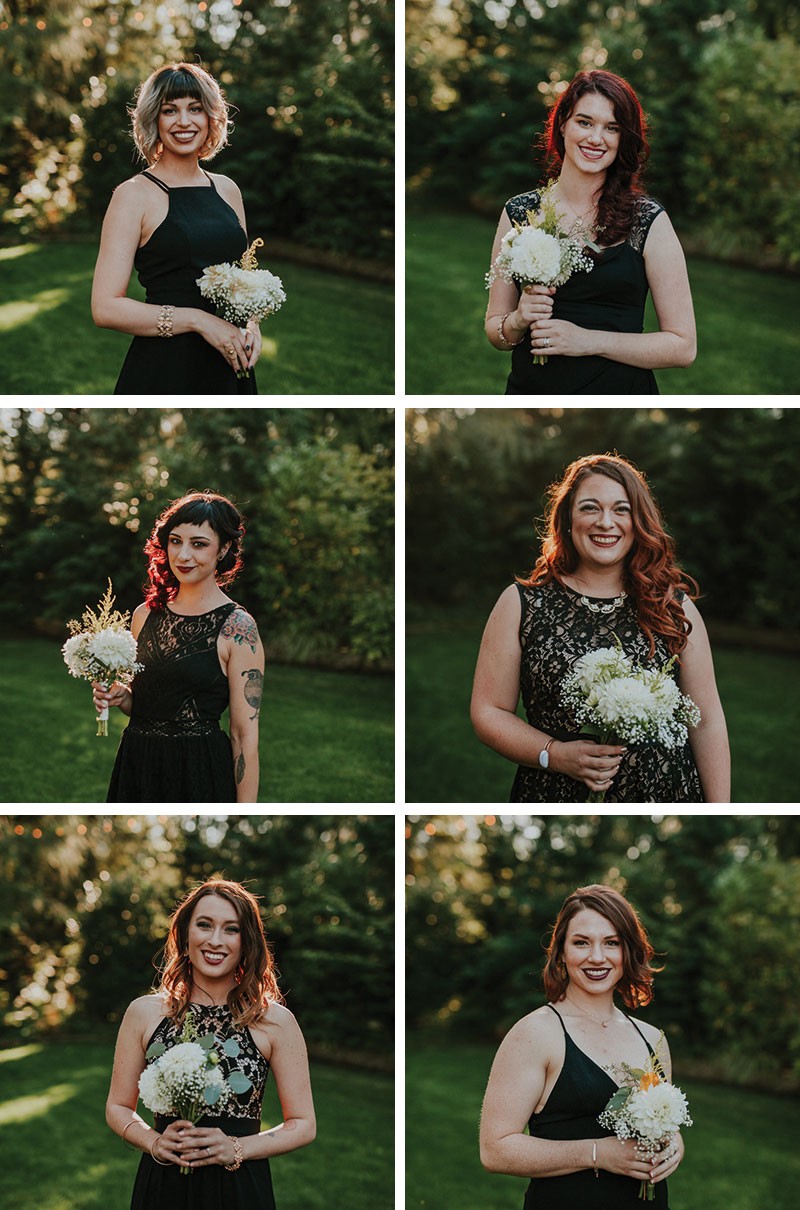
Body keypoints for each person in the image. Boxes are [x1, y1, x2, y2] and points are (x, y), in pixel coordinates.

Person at [470, 453, 729, 802]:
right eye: (590, 508)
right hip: (556, 795)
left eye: (621, 510)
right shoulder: (521, 603)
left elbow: (706, 720)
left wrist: (718, 809)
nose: (606, 522)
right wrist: (554, 754)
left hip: (665, 796)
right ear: (566, 519)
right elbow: (488, 712)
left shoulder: (674, 607)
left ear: (638, 521)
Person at [107, 878, 315, 1209]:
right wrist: (154, 1142)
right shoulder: (144, 1013)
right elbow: (118, 1107)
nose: (215, 940)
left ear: (246, 942)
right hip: (163, 1187)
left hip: (240, 1189)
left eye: (231, 929)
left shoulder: (274, 1021)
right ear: (185, 936)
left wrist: (236, 1148)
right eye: (204, 925)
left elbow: (303, 1125)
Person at [485, 70, 696, 394]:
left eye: (611, 128)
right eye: (585, 122)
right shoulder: (520, 213)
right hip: (532, 388)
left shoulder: (648, 220)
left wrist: (587, 341)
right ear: (562, 125)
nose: (596, 138)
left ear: (623, 138)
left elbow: (683, 347)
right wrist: (518, 319)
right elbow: (495, 330)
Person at [480, 884, 682, 1209]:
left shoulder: (652, 1038)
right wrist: (597, 1154)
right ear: (561, 952)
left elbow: (664, 1129)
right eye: (581, 943)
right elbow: (495, 1150)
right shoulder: (535, 1033)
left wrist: (674, 1145)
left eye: (611, 943)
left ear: (627, 951)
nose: (597, 957)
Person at [92, 62, 261, 395]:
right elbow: (105, 307)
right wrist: (199, 321)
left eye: (195, 109)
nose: (184, 121)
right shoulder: (133, 195)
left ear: (211, 116)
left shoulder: (227, 189)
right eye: (170, 110)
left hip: (230, 364)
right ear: (155, 119)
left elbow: (244, 279)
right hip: (166, 366)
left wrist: (252, 326)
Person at [92, 491, 264, 803]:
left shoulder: (238, 628)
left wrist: (246, 809)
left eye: (198, 544)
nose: (183, 555)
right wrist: (122, 696)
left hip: (197, 767)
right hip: (138, 761)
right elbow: (146, 702)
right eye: (175, 541)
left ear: (223, 548)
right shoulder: (144, 615)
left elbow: (244, 734)